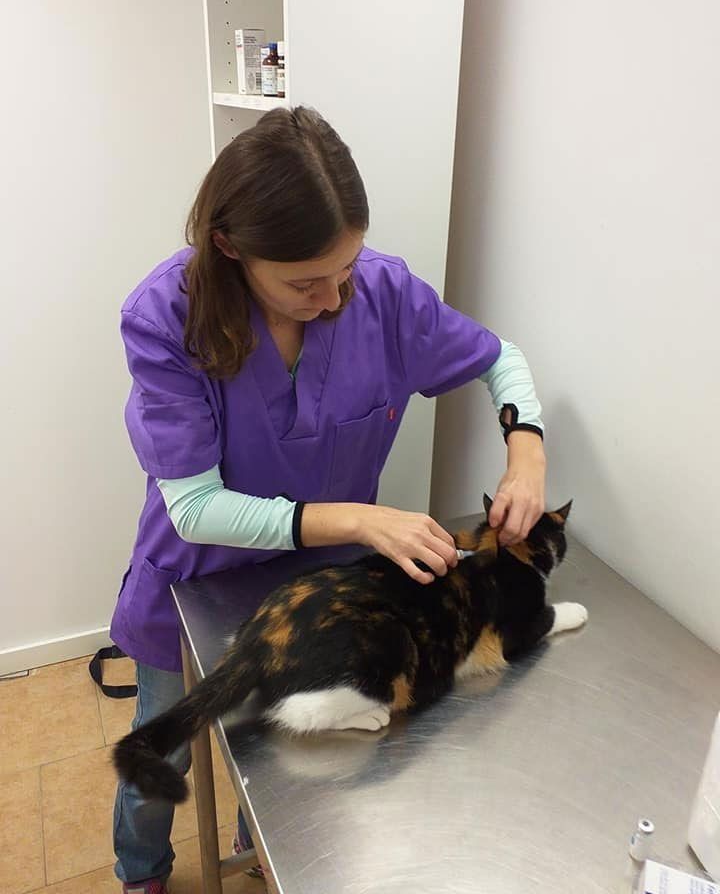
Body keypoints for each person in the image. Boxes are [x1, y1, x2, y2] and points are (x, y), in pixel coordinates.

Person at [111, 106, 546, 893]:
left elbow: (500, 359)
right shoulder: (166, 319)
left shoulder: (379, 294)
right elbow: (196, 508)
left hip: (321, 591)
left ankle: (258, 851)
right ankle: (140, 870)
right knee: (163, 743)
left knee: (278, 755)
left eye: (344, 268)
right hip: (199, 581)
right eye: (304, 282)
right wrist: (355, 519)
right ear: (230, 247)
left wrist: (526, 447)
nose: (333, 296)